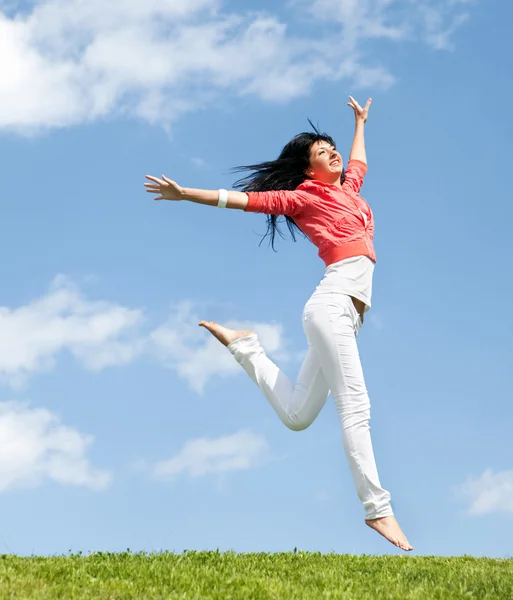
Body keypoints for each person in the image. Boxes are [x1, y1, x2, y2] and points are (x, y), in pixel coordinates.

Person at [144, 96, 412, 552]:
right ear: (309, 170)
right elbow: (243, 200)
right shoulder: (300, 197)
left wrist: (360, 124)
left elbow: (360, 160)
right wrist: (185, 193)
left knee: (297, 416)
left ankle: (245, 347)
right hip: (330, 308)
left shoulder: (350, 189)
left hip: (349, 315)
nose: (334, 153)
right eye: (323, 151)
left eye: (334, 148)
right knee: (356, 408)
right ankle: (377, 509)